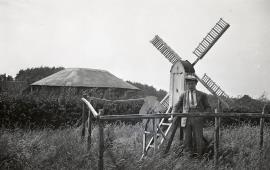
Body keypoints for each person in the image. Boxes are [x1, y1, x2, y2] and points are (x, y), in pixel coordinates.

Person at [173, 74, 211, 156]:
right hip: (186, 119)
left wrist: (203, 115)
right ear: (186, 85)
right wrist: (173, 114)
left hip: (198, 119)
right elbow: (177, 105)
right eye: (189, 84)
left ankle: (199, 155)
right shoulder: (183, 95)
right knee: (187, 138)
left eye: (192, 83)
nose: (190, 85)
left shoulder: (202, 95)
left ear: (195, 84)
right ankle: (188, 155)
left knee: (198, 138)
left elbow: (208, 107)